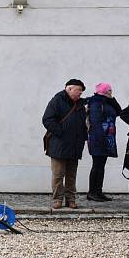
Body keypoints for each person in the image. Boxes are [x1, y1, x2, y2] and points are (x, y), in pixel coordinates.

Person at [42, 79, 88, 209]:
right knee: (58, 175)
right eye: (78, 90)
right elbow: (47, 119)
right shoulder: (57, 101)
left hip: (75, 145)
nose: (80, 93)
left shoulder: (80, 104)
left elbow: (83, 123)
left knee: (71, 175)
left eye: (81, 91)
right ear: (69, 89)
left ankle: (70, 199)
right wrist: (61, 132)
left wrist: (84, 137)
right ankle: (57, 200)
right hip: (59, 145)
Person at [86, 83, 122, 202]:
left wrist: (112, 99)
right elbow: (95, 122)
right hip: (98, 139)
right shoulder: (96, 102)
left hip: (106, 138)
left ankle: (98, 191)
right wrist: (101, 140)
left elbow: (119, 112)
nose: (111, 92)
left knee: (101, 166)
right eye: (109, 90)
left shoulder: (107, 102)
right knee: (97, 165)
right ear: (104, 91)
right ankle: (92, 192)